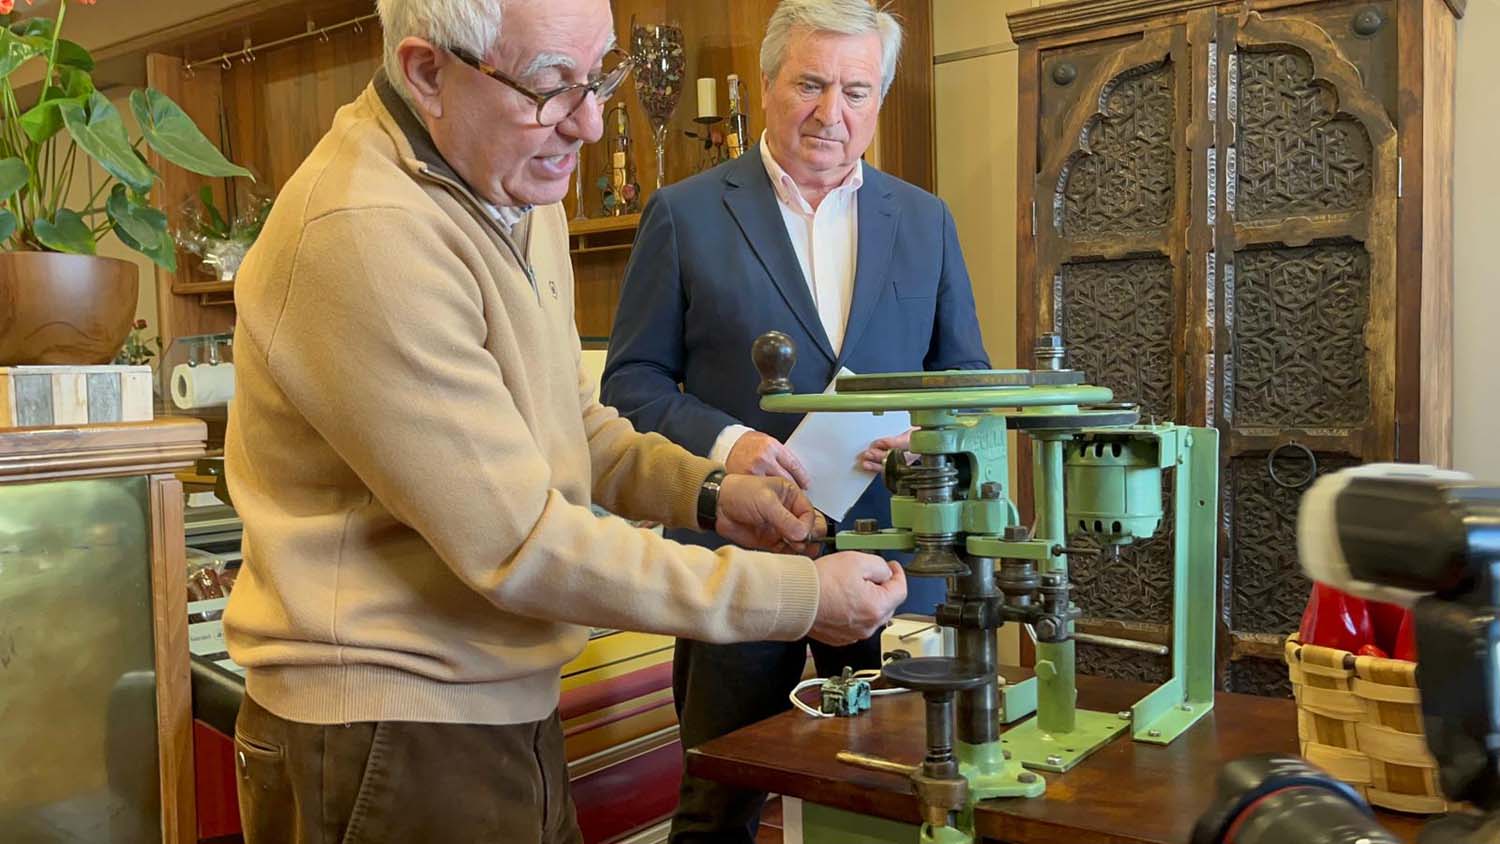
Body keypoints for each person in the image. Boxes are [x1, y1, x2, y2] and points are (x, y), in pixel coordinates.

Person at [221, 0, 908, 841]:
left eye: (600, 77)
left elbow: (576, 425)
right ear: (426, 72)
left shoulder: (511, 180)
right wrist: (796, 596)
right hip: (387, 734)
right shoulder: (367, 233)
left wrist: (710, 492)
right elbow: (522, 544)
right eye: (551, 88)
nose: (586, 123)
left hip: (498, 702)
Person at [599, 1, 990, 840]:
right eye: (810, 84)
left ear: (878, 99)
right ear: (768, 85)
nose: (830, 112)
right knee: (719, 797)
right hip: (740, 556)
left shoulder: (924, 220)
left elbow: (966, 381)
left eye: (855, 90)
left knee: (901, 796)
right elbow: (630, 382)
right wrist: (732, 443)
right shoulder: (685, 212)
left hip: (894, 557)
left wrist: (926, 437)